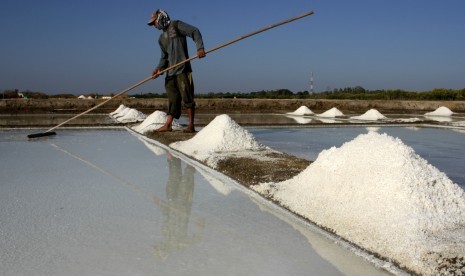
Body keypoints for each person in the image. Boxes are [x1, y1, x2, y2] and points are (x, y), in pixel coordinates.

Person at [148, 9, 206, 132]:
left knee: (187, 98)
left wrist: (200, 48)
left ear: (160, 18)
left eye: (154, 22)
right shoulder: (161, 39)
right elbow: (164, 57)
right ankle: (168, 124)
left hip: (183, 69)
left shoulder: (176, 25)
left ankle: (191, 125)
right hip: (170, 72)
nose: (154, 25)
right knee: (173, 99)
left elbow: (194, 31)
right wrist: (158, 69)